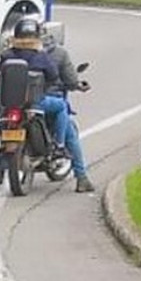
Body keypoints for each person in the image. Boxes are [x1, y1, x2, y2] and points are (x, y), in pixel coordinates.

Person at [0, 18, 69, 186]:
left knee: (1, 118)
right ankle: (60, 146)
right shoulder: (40, 56)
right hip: (35, 103)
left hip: (9, 105)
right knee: (62, 107)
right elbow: (53, 75)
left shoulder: (6, 55)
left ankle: (1, 164)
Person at [41, 26, 95, 193]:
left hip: (18, 102)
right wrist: (78, 85)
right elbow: (71, 80)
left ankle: (1, 167)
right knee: (70, 132)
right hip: (47, 100)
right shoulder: (58, 54)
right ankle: (81, 177)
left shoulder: (13, 54)